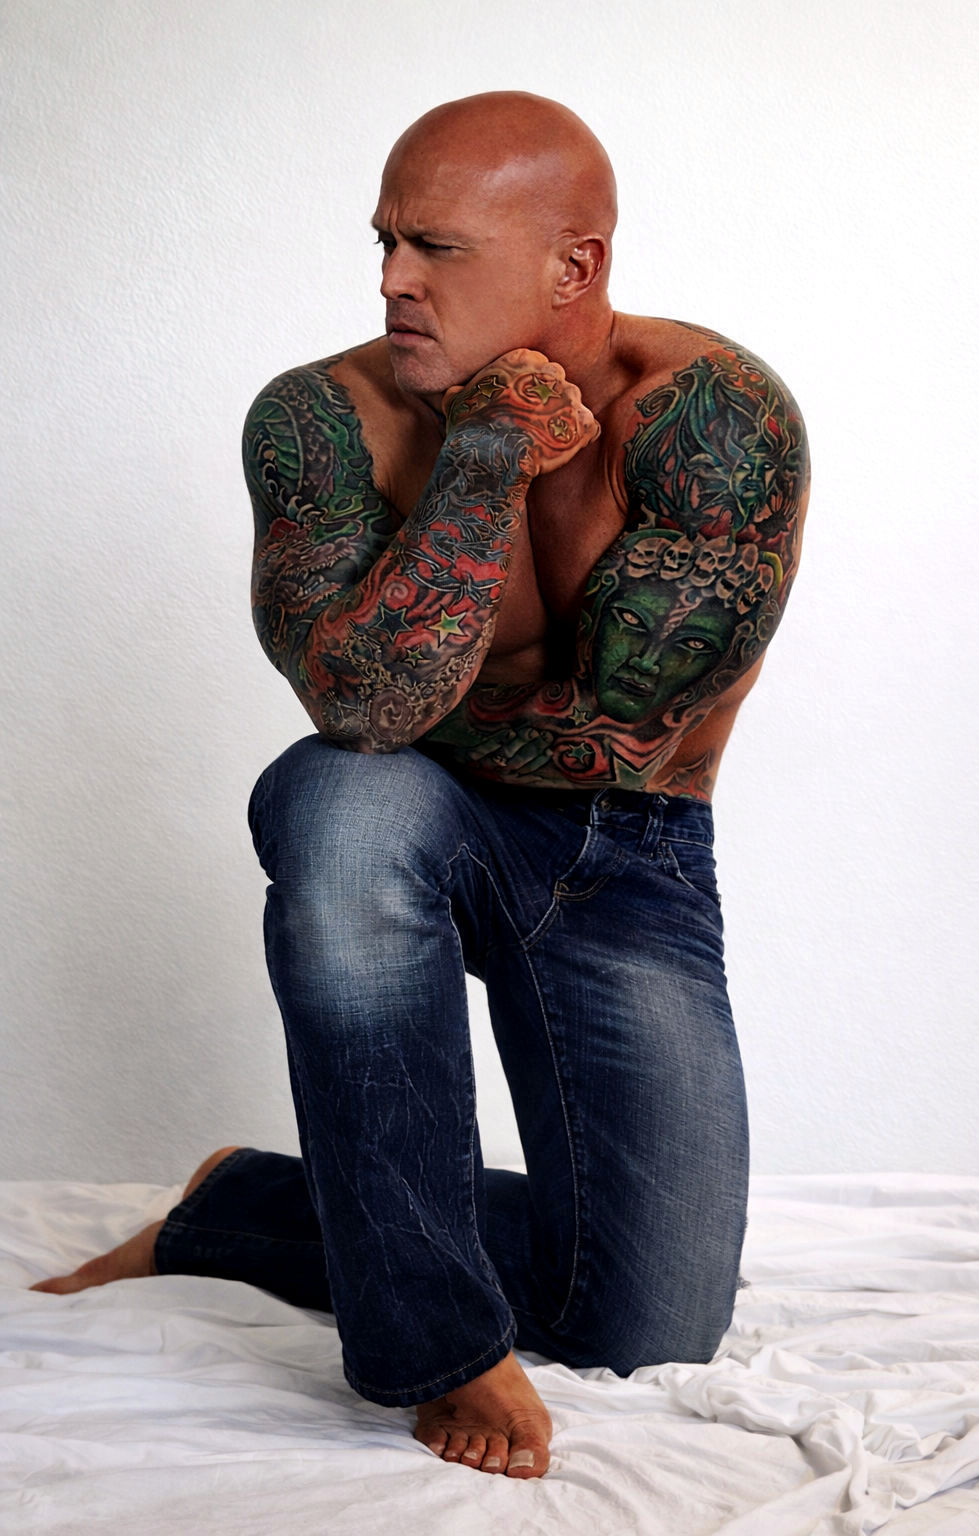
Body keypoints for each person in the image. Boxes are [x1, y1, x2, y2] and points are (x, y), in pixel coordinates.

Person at [33, 91, 810, 1480]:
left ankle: (242, 1208)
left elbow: (625, 730)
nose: (393, 278)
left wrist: (436, 698)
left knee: (649, 1327)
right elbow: (365, 713)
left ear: (573, 265)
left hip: (630, 859)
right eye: (386, 242)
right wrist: (485, 457)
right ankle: (436, 1347)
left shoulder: (711, 419)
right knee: (338, 802)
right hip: (412, 817)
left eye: (437, 248)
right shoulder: (320, 420)